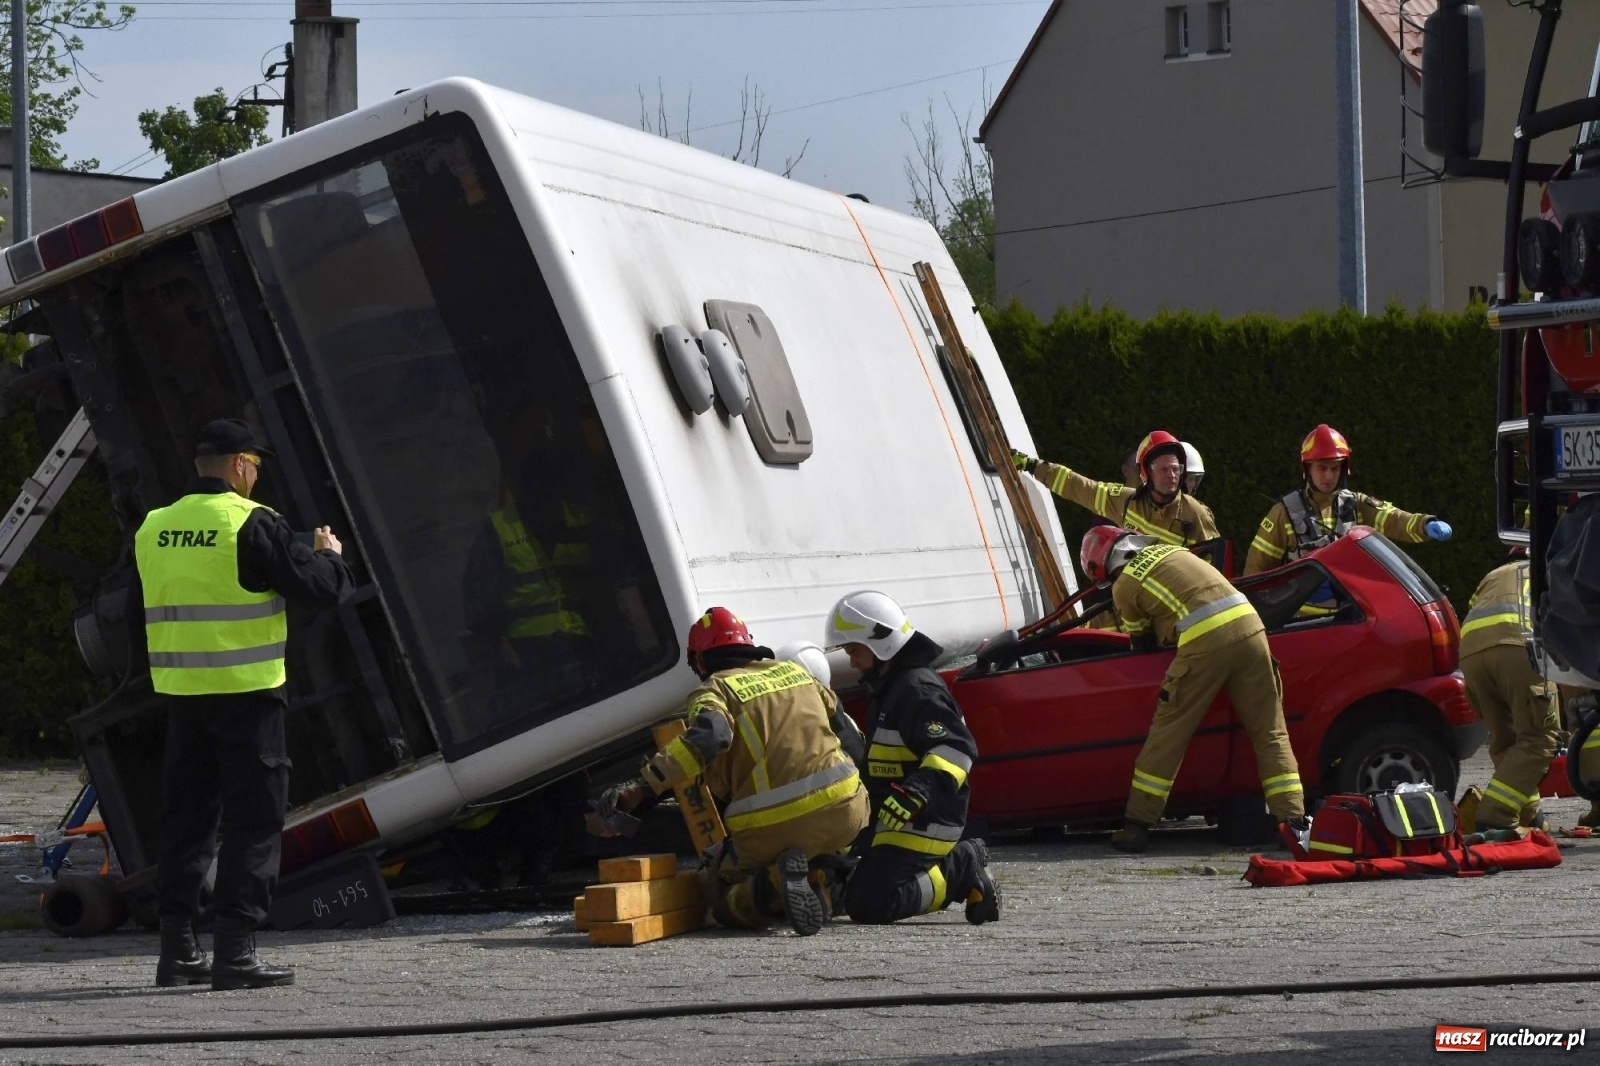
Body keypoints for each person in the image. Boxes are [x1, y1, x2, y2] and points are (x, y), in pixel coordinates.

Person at [133, 418, 355, 990]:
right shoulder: (253, 523)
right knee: (254, 823)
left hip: (184, 698)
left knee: (186, 822)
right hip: (247, 697)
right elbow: (322, 590)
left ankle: (177, 951)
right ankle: (235, 953)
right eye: (255, 464)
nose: (256, 474)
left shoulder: (154, 527)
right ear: (240, 464)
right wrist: (328, 553)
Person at [597, 609, 869, 935]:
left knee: (718, 895)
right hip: (846, 814)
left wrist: (644, 786)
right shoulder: (801, 676)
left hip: (770, 828)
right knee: (828, 853)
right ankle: (821, 883)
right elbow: (854, 743)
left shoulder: (714, 690)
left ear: (699, 660)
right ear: (750, 644)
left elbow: (709, 739)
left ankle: (773, 884)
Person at [1078, 526, 1306, 853]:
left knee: (1168, 734)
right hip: (1252, 628)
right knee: (1271, 731)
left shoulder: (1124, 585)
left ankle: (1137, 825)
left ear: (1101, 568)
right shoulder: (1175, 550)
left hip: (1205, 643)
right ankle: (1293, 823)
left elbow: (1141, 646)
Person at [824, 590, 1000, 926]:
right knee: (836, 864)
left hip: (925, 817)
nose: (853, 662)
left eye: (854, 651)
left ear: (880, 644)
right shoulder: (890, 685)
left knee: (871, 904)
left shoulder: (915, 690)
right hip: (892, 814)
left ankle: (961, 867)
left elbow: (957, 750)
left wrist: (916, 790)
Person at [1244, 424, 1450, 575]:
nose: (1328, 476)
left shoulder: (1356, 504)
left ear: (1344, 468)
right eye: (1321, 468)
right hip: (1301, 622)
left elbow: (1392, 519)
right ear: (1307, 468)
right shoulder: (1284, 512)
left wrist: (1425, 524)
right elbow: (1256, 570)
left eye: (1335, 468)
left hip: (1352, 616)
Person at [1454, 557, 1561, 839]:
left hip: (1470, 654)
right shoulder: (1559, 565)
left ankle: (1529, 814)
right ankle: (1495, 817)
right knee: (1540, 738)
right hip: (1518, 647)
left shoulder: (1494, 572)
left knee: (1507, 740)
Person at [1013, 430, 1219, 547]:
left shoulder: (1196, 515)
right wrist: (1032, 465)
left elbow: (1213, 571)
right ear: (1146, 473)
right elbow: (1077, 486)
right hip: (1130, 601)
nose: (1172, 475)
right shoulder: (1127, 501)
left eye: (1176, 469)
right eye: (1163, 469)